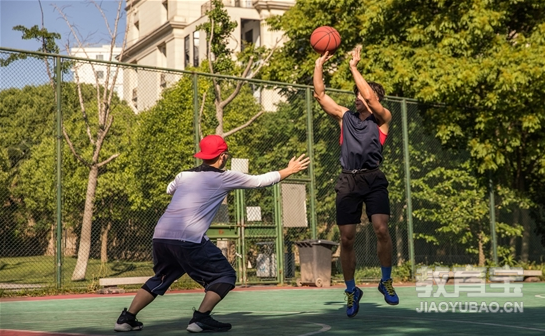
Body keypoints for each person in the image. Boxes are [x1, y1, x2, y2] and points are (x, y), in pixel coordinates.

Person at [114, 134, 310, 333]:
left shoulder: (184, 175)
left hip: (161, 236)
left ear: (202, 156)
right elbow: (261, 181)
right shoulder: (223, 177)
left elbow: (169, 189)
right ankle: (201, 319)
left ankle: (127, 319)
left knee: (162, 277)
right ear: (223, 156)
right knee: (225, 276)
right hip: (187, 238)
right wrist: (290, 170)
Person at [313, 45, 399, 318]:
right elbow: (320, 94)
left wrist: (353, 66)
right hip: (348, 181)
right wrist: (318, 64)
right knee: (346, 238)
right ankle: (351, 290)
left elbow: (372, 98)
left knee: (381, 229)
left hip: (373, 178)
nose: (358, 98)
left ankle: (385, 281)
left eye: (362, 95)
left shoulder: (383, 118)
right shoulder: (345, 117)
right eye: (358, 95)